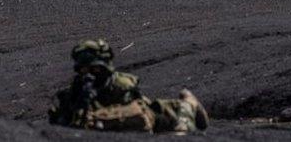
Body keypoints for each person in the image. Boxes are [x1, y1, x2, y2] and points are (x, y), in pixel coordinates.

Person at [48, 39, 208, 133]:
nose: (89, 74)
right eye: (83, 70)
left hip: (152, 117)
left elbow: (140, 117)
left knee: (180, 128)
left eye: (94, 69)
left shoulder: (121, 86)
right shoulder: (77, 89)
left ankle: (189, 103)